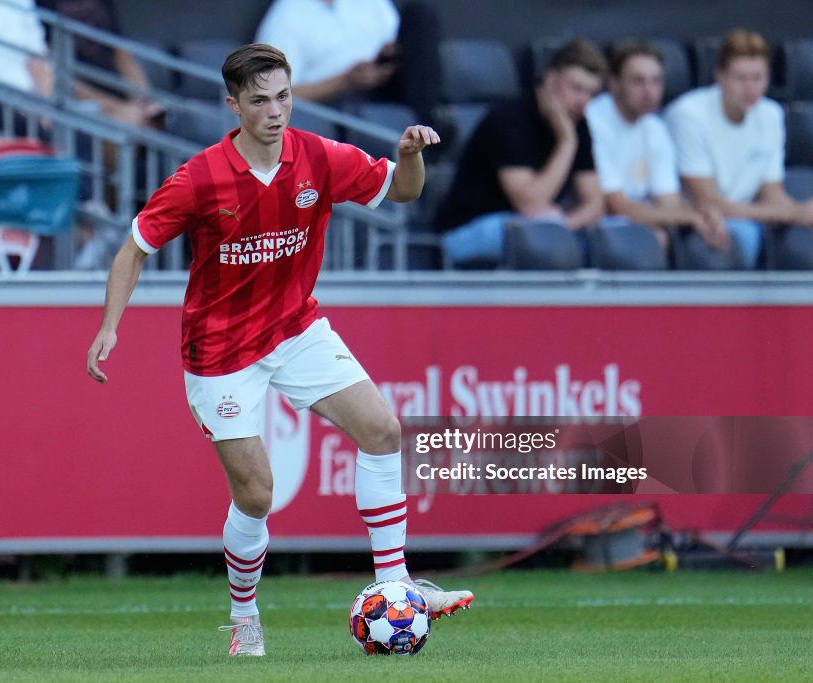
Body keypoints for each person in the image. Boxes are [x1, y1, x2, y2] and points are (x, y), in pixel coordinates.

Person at [86, 43, 473, 657]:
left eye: (284, 96)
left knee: (382, 430)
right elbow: (134, 248)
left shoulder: (318, 156)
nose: (275, 111)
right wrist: (111, 325)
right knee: (257, 493)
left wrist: (408, 157)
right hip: (221, 351)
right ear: (234, 105)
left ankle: (398, 586)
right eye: (260, 100)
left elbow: (403, 192)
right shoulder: (199, 177)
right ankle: (244, 618)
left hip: (295, 329)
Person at [436, 38, 606, 267]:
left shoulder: (578, 123)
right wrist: (566, 143)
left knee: (610, 235)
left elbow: (595, 204)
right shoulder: (509, 119)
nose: (583, 102)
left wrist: (564, 226)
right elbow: (530, 203)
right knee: (537, 235)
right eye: (576, 88)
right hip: (471, 229)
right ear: (550, 79)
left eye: (591, 94)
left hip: (540, 226)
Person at [665, 28, 813, 269]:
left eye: (758, 78)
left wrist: (801, 211)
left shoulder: (771, 114)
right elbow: (707, 201)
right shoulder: (688, 114)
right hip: (699, 221)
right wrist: (793, 213)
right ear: (720, 76)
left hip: (751, 219)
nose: (750, 87)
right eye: (741, 78)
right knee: (732, 240)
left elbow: (771, 192)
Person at [585, 40, 727, 258]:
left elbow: (668, 200)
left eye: (656, 81)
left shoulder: (655, 128)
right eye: (638, 81)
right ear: (614, 83)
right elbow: (617, 207)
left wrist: (702, 213)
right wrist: (690, 217)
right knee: (654, 238)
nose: (649, 91)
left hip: (636, 220)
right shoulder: (593, 121)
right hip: (593, 223)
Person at [254, 0, 442, 125]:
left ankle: (429, 126)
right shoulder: (287, 15)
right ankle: (426, 135)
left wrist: (392, 52)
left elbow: (393, 39)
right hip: (338, 101)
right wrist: (346, 80)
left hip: (388, 79)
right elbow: (272, 95)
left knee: (420, 15)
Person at [36, 0, 164, 128]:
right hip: (76, 104)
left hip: (116, 93)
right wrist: (118, 107)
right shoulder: (42, 4)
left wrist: (143, 101)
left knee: (156, 118)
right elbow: (54, 73)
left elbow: (121, 53)